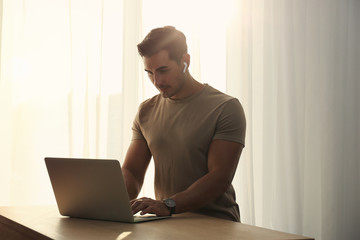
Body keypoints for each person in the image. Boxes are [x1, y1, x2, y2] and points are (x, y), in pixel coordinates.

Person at [122, 26, 246, 222]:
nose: (157, 81)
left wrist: (168, 204)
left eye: (163, 70)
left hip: (217, 224)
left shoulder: (225, 108)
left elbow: (219, 178)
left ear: (185, 62)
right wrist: (108, 202)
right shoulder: (146, 111)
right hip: (169, 223)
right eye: (149, 73)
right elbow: (132, 171)